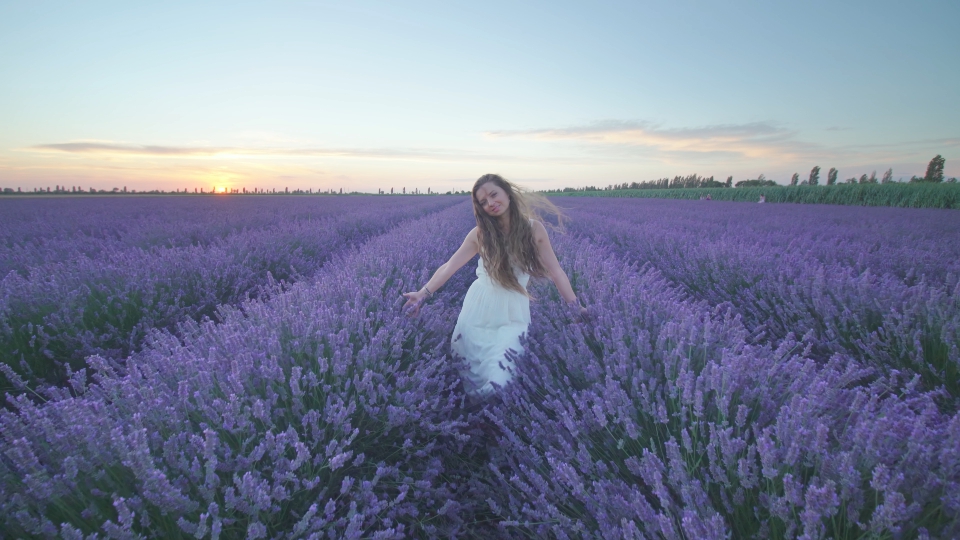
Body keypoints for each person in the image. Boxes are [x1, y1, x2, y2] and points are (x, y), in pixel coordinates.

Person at [402, 173, 585, 402]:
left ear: (507, 193)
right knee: (472, 372)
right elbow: (449, 266)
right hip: (479, 308)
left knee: (503, 372)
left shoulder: (533, 230)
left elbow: (556, 271)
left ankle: (497, 413)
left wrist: (576, 308)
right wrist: (422, 294)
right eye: (483, 202)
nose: (490, 203)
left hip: (513, 310)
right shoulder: (480, 234)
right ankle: (478, 420)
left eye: (493, 195)